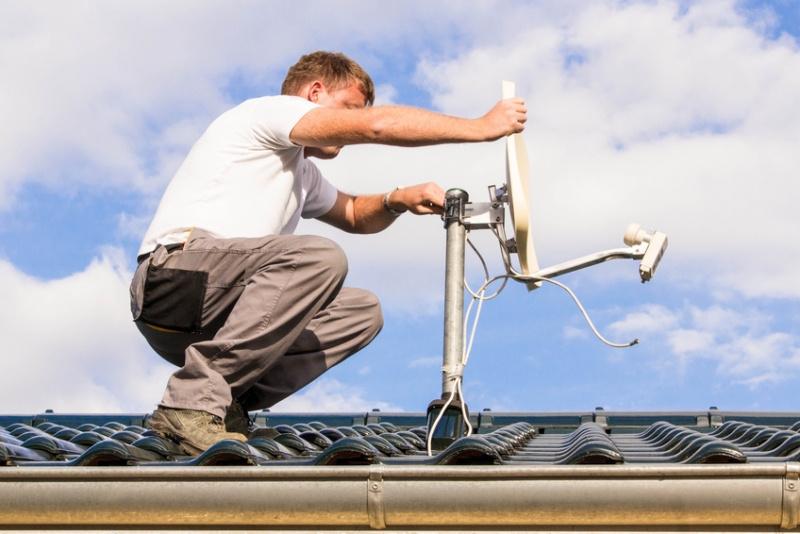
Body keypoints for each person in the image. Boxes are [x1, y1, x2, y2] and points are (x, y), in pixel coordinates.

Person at [129, 51, 526, 455]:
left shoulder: (303, 173)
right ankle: (189, 401)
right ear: (314, 92)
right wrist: (481, 127)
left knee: (361, 310)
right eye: (349, 110)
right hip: (173, 279)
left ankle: (224, 404)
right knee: (319, 258)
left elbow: (354, 213)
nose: (350, 124)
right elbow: (375, 127)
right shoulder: (270, 113)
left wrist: (398, 199)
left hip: (213, 316)